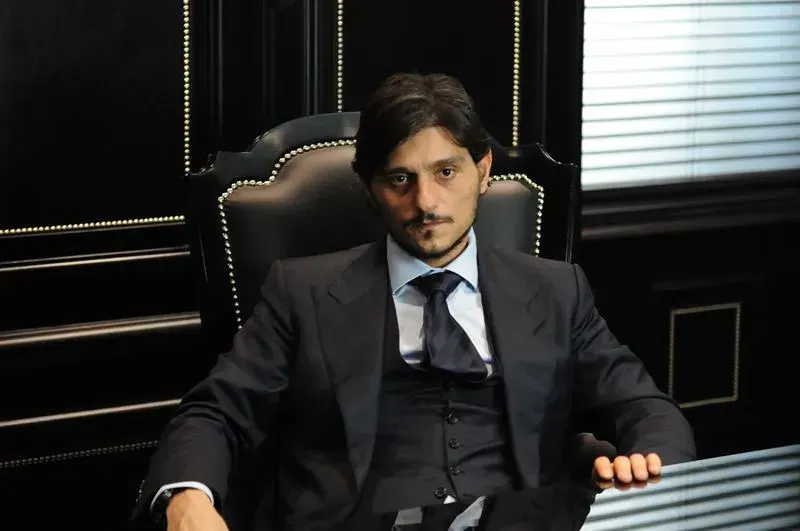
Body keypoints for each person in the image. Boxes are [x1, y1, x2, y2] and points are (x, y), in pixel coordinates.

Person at [132, 73, 696, 531]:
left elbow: (647, 410)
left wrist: (650, 466)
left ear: (482, 171)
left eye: (446, 172)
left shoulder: (556, 290)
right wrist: (187, 499)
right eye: (399, 179)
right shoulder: (301, 293)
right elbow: (215, 413)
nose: (425, 202)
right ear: (369, 188)